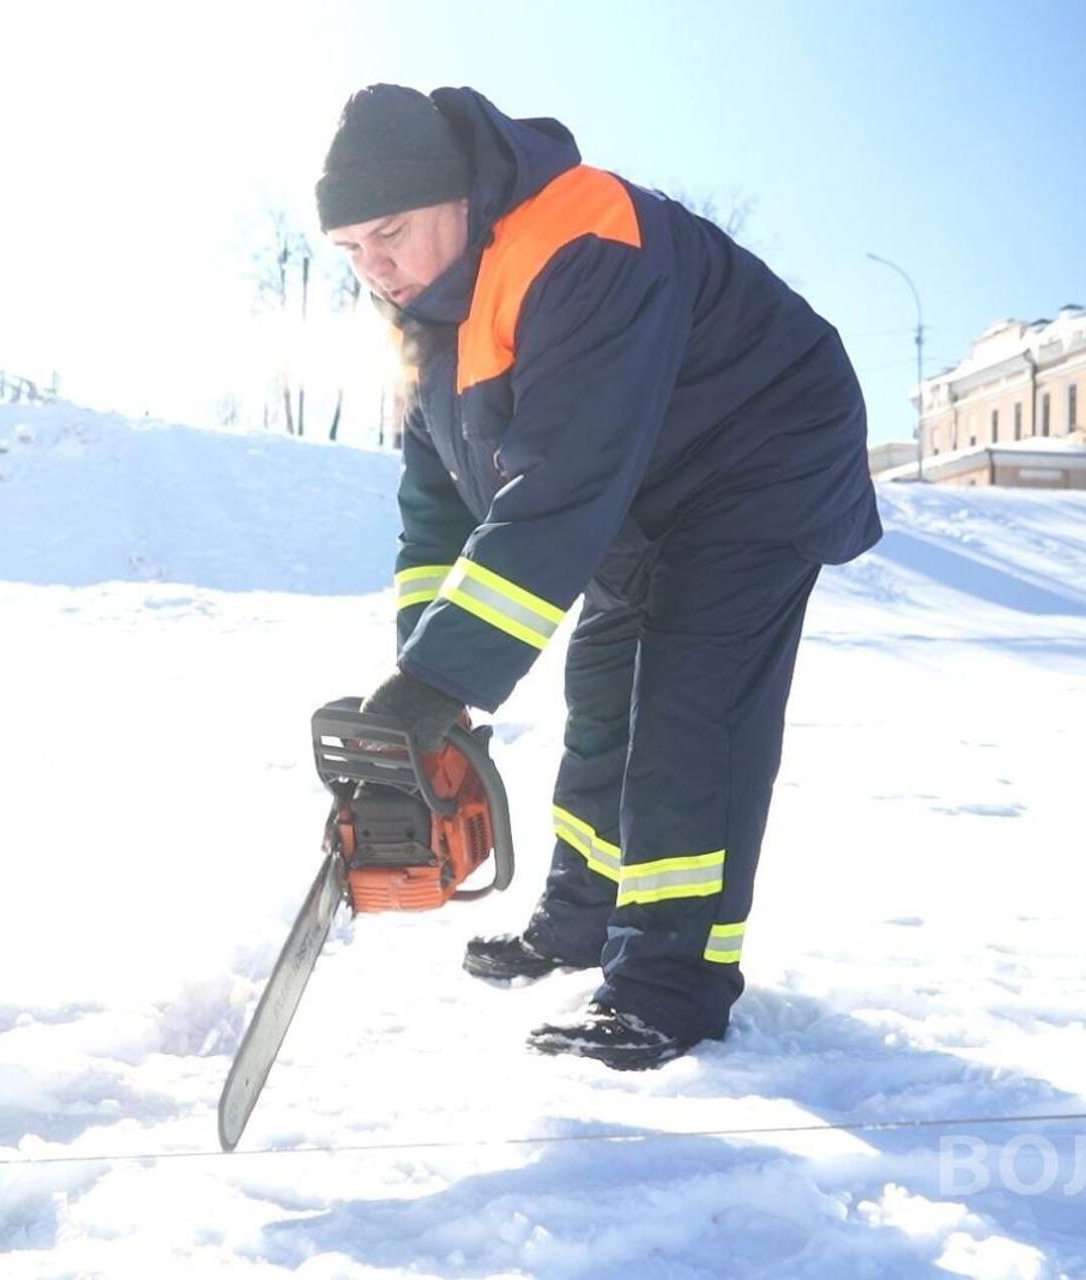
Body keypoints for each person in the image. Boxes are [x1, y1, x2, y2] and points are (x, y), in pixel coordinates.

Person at [316, 84, 881, 1070]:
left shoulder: (579, 237)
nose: (377, 266)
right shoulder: (424, 329)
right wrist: (421, 688)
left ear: (456, 195)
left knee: (687, 712)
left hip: (758, 453)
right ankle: (578, 921)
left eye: (392, 231)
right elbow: (442, 509)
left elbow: (558, 487)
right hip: (640, 485)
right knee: (600, 697)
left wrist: (443, 683)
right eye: (353, 247)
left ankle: (668, 983)